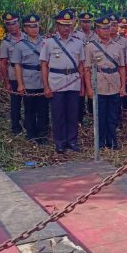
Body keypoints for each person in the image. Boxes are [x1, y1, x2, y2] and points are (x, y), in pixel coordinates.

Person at [40, 9, 85, 153]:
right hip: (56, 83)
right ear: (57, 25)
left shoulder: (78, 43)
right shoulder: (48, 43)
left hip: (73, 82)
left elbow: (81, 66)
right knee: (58, 115)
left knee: (73, 114)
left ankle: (72, 141)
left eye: (69, 25)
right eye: (63, 25)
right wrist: (46, 86)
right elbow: (44, 65)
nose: (66, 28)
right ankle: (59, 142)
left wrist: (82, 85)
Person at [84, 15, 126, 150]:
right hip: (99, 84)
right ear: (97, 30)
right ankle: (100, 142)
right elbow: (87, 69)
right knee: (100, 115)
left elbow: (122, 68)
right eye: (103, 28)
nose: (106, 31)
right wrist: (89, 89)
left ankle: (112, 141)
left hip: (114, 83)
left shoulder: (118, 47)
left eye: (108, 28)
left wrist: (123, 85)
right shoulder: (90, 47)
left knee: (113, 115)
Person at [13, 14, 48, 144]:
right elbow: (17, 65)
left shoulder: (46, 42)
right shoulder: (20, 45)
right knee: (30, 109)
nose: (34, 29)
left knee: (43, 109)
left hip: (43, 80)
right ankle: (31, 133)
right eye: (30, 27)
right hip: (28, 80)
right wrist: (20, 84)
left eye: (36, 26)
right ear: (25, 29)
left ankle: (42, 133)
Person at [0, 12, 24, 135]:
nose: (11, 26)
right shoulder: (5, 43)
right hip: (14, 75)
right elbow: (3, 63)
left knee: (31, 102)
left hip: (29, 75)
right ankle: (16, 127)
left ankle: (29, 124)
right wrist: (6, 82)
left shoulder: (27, 37)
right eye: (8, 24)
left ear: (18, 23)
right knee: (15, 103)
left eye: (13, 23)